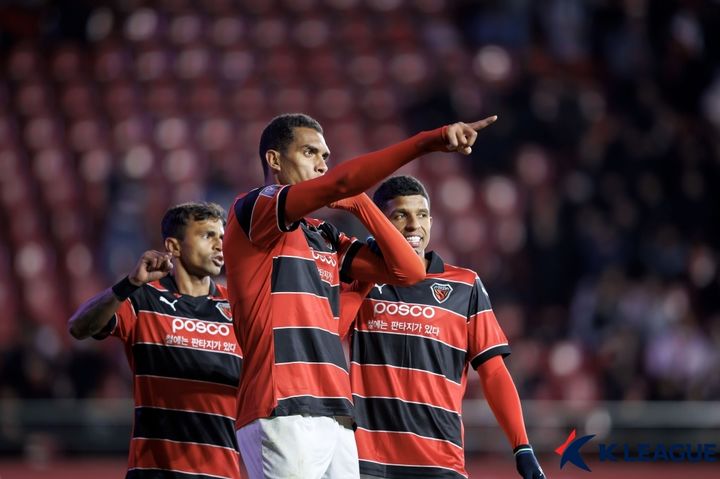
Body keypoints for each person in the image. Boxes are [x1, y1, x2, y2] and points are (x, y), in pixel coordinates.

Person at [224, 113, 497, 479]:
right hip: (281, 404)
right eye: (309, 152)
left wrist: (362, 204)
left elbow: (409, 272)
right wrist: (427, 142)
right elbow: (342, 181)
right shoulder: (254, 208)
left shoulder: (323, 235)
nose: (322, 164)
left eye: (325, 156)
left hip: (336, 411)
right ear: (274, 160)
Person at [341, 176, 545, 479]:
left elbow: (493, 371)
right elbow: (332, 331)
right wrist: (370, 271)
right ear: (379, 224)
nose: (414, 225)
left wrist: (522, 446)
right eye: (400, 215)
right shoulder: (359, 280)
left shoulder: (465, 285)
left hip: (441, 461)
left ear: (432, 222)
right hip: (369, 462)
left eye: (421, 215)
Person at [68, 202, 244, 479]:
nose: (219, 245)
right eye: (207, 235)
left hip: (221, 473)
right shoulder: (143, 298)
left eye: (221, 237)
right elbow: (79, 327)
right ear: (173, 247)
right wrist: (128, 284)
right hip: (153, 473)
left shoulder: (238, 307)